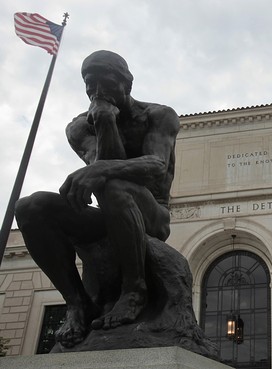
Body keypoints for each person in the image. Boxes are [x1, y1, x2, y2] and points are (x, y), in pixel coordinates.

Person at [15, 50, 180, 348]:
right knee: (31, 206)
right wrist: (104, 121)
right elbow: (102, 165)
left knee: (114, 183)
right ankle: (77, 304)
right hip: (108, 213)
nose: (96, 92)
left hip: (152, 215)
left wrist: (102, 167)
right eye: (90, 84)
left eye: (105, 83)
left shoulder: (158, 115)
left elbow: (156, 167)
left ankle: (135, 289)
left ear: (126, 82)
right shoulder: (79, 126)